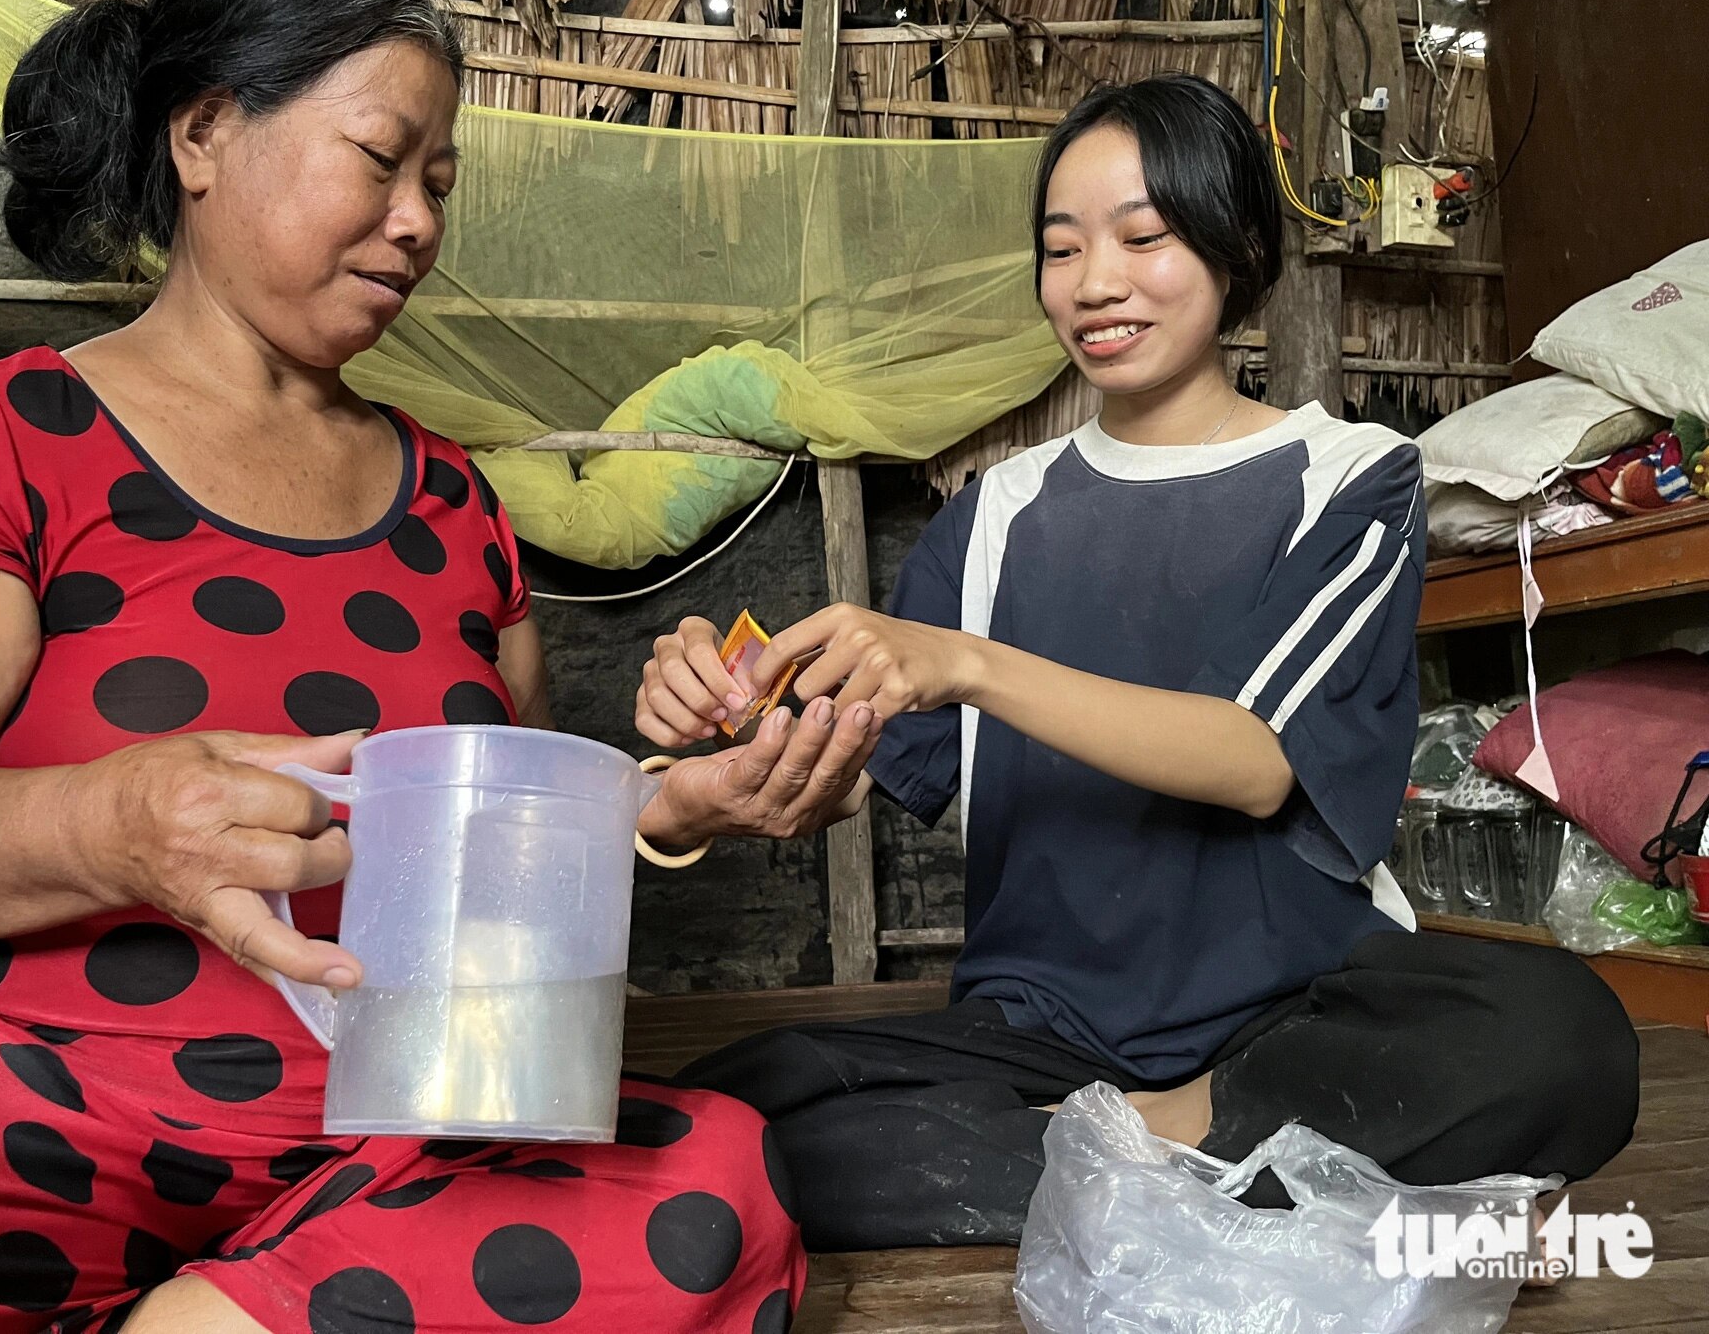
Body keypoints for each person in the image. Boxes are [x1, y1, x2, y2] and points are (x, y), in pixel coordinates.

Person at [0, 0, 877, 1334]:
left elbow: (487, 883)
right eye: (382, 162)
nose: (420, 224)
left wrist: (670, 808)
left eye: (439, 185)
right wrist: (114, 826)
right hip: (18, 1108)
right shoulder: (13, 439)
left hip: (385, 1153)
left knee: (712, 1193)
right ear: (205, 134)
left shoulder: (456, 506)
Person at [636, 73, 1642, 1251]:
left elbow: (1260, 764)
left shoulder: (1348, 477)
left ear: (1232, 246)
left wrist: (967, 663)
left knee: (1556, 1036)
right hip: (1036, 1036)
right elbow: (854, 773)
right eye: (1061, 250)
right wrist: (725, 740)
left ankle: (1145, 1143)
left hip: (1294, 1016)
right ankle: (1240, 1175)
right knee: (723, 1105)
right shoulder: (993, 515)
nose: (1094, 283)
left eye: (1141, 237)